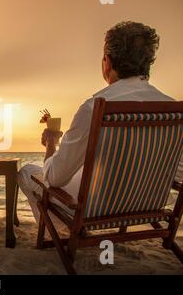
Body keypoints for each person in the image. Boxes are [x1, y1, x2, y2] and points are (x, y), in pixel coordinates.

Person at [18, 21, 183, 230]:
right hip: (148, 206)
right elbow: (179, 173)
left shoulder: (93, 108)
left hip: (97, 209)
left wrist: (51, 143)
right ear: (148, 64)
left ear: (107, 61)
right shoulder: (174, 110)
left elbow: (55, 178)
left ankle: (61, 234)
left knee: (26, 172)